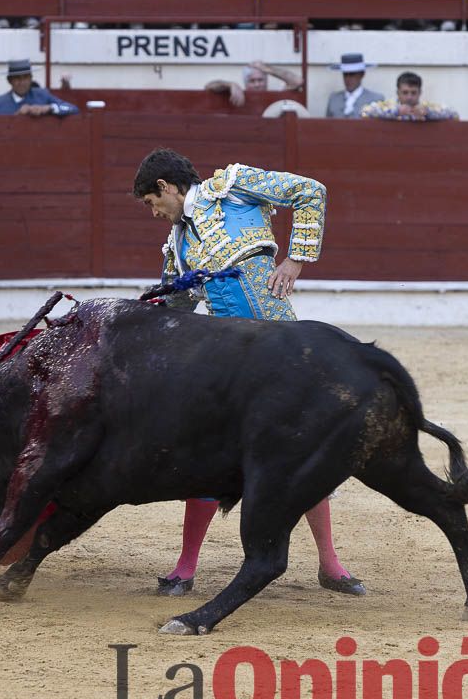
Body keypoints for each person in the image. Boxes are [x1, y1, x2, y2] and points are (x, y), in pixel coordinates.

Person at [132, 148, 365, 598]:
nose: (154, 213)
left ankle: (330, 565)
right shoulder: (178, 244)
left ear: (163, 187)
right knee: (206, 453)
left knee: (304, 450)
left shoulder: (231, 186)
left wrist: (296, 259)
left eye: (150, 203)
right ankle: (185, 568)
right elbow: (174, 304)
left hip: (282, 349)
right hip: (227, 363)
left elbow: (310, 192)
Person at [0, 59, 79, 116]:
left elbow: (73, 109)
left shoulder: (43, 95)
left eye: (26, 77)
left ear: (31, 78)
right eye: (17, 78)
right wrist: (17, 116)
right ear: (9, 80)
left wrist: (49, 108)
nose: (22, 82)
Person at [361, 71, 458, 121]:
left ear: (420, 93)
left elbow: (454, 114)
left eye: (413, 93)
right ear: (398, 93)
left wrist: (428, 113)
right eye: (405, 92)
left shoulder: (426, 108)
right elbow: (364, 112)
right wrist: (396, 111)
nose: (409, 97)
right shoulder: (390, 106)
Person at [206, 60, 302, 109]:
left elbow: (297, 81)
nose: (257, 85)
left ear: (266, 81)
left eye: (260, 80)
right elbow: (209, 87)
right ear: (246, 83)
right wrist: (230, 84)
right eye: (252, 81)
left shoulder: (274, 98)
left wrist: (268, 69)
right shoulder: (237, 94)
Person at [325, 53, 386, 118]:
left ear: (362, 74)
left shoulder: (375, 100)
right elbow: (327, 125)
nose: (348, 79)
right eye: (345, 75)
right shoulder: (334, 99)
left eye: (352, 74)